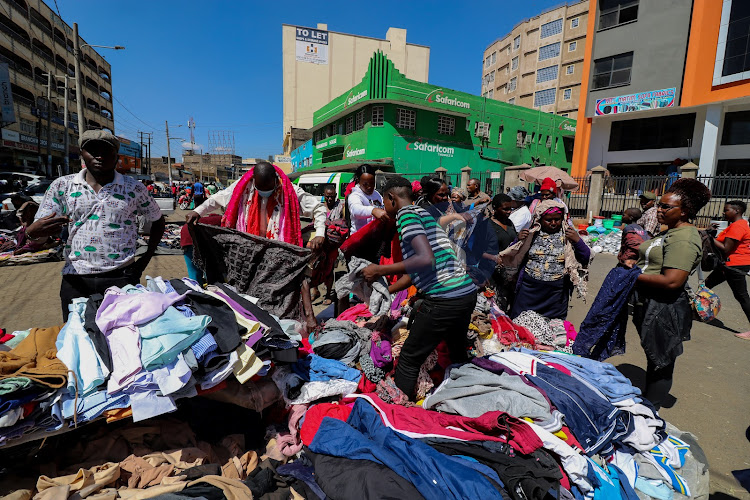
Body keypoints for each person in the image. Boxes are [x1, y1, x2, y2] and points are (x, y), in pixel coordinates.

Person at [28, 130, 165, 321]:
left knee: (120, 337)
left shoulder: (133, 187)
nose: (99, 156)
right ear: (82, 153)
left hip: (121, 277)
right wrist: (31, 233)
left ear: (116, 156)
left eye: (106, 151)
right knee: (78, 337)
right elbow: (41, 232)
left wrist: (146, 258)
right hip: (75, 278)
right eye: (92, 150)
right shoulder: (63, 186)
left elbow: (157, 219)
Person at [362, 176, 477, 400]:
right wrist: (386, 292)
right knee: (456, 351)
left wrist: (379, 270)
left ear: (390, 198)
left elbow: (426, 259)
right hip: (464, 293)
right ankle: (466, 394)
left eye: (383, 202)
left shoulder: (405, 216)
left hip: (444, 298)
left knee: (408, 358)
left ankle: (399, 410)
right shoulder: (422, 212)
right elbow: (415, 273)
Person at [186, 161, 326, 330]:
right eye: (261, 188)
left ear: (276, 180)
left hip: (277, 255)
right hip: (249, 254)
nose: (264, 192)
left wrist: (320, 233)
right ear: (253, 181)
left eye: (268, 187)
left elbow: (319, 208)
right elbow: (217, 199)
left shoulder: (290, 191)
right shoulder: (243, 186)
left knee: (278, 297)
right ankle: (252, 327)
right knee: (248, 297)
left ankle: (278, 328)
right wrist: (198, 211)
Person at [629, 178, 711, 408]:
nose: (659, 210)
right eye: (659, 205)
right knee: (654, 356)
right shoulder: (671, 232)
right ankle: (648, 400)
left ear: (685, 211)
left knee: (661, 361)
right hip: (650, 303)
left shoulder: (684, 238)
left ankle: (650, 409)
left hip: (665, 308)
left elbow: (672, 281)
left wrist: (631, 276)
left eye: (666, 206)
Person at [501, 200, 591, 320]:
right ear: (540, 219)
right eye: (548, 220)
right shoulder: (531, 234)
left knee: (552, 328)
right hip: (529, 291)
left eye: (557, 219)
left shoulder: (569, 236)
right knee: (522, 324)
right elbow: (513, 253)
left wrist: (577, 241)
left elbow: (586, 257)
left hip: (555, 295)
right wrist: (518, 239)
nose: (553, 223)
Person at [708, 200, 750, 340]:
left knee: (742, 296)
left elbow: (726, 248)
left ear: (736, 211)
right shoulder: (737, 225)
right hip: (728, 264)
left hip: (734, 265)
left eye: (726, 210)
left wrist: (708, 237)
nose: (724, 213)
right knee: (706, 285)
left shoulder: (738, 227)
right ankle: (692, 312)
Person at [311, 184, 344, 305]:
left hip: (333, 245)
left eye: (332, 197)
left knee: (329, 270)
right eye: (327, 196)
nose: (329, 199)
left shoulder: (340, 208)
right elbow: (314, 223)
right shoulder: (320, 208)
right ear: (324, 196)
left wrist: (332, 226)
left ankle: (328, 293)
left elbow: (343, 224)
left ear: (335, 196)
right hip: (321, 245)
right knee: (315, 268)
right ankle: (315, 291)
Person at [488, 194, 519, 310]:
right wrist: (493, 258)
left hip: (509, 273)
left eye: (510, 209)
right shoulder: (486, 225)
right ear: (495, 208)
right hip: (492, 274)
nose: (508, 212)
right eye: (505, 209)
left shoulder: (509, 223)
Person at [347, 164, 387, 233]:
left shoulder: (377, 194)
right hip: (359, 238)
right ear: (358, 181)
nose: (369, 187)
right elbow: (355, 210)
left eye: (372, 183)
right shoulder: (355, 196)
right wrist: (373, 210)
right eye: (365, 184)